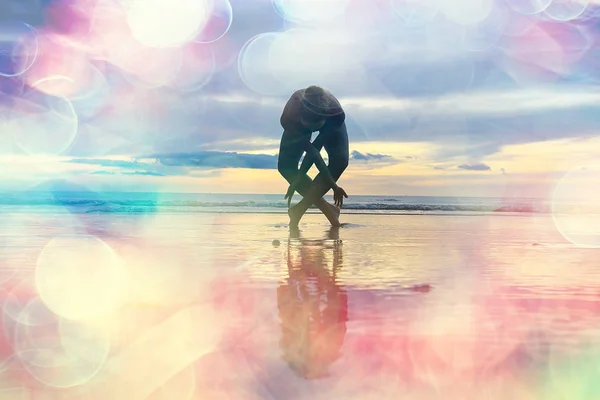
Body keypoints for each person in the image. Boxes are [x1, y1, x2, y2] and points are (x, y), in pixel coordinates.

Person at [277, 85, 349, 229]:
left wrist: (335, 186)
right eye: (308, 128)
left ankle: (299, 210)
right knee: (285, 167)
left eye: (315, 128)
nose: (312, 132)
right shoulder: (289, 118)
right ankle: (329, 210)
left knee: (340, 161)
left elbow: (315, 152)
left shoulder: (336, 115)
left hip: (331, 121)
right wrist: (296, 179)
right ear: (301, 118)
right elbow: (312, 153)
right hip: (296, 124)